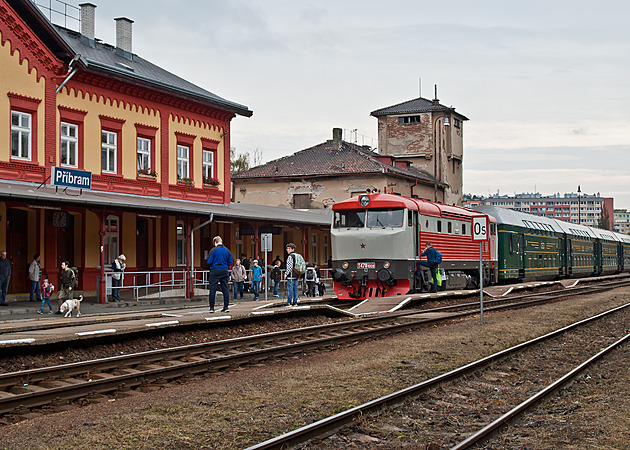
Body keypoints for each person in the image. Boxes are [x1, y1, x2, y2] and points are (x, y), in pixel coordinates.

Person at [207, 236, 233, 313]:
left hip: (215, 270)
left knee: (212, 289)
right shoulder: (227, 251)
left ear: (215, 242)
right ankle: (226, 307)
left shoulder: (213, 250)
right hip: (224, 270)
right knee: (225, 289)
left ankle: (212, 308)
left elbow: (209, 261)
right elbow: (230, 262)